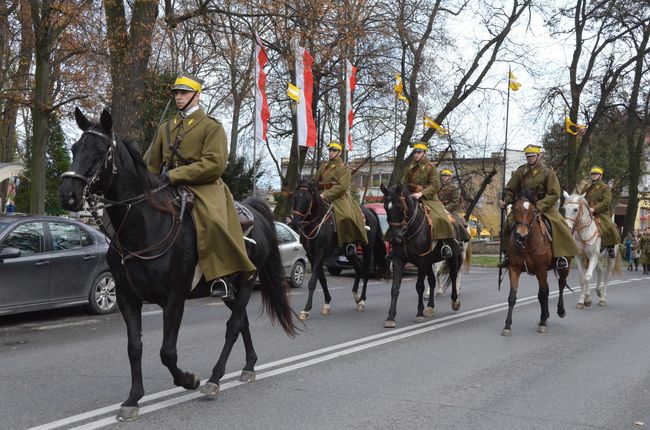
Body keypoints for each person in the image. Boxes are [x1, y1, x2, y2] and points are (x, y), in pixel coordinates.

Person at [145, 72, 256, 299]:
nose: (178, 97)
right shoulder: (166, 128)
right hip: (167, 184)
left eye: (183, 93)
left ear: (197, 96)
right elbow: (151, 163)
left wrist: (176, 175)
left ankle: (221, 277)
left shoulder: (211, 127)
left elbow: (215, 163)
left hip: (203, 185)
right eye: (176, 93)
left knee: (213, 221)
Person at [498, 144, 579, 269]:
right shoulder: (520, 171)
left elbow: (554, 193)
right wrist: (506, 200)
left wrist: (539, 206)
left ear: (539, 156)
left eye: (532, 156)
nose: (530, 158)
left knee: (559, 223)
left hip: (544, 205)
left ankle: (561, 256)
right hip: (524, 206)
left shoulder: (548, 173)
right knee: (508, 223)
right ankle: (507, 254)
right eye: (528, 156)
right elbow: (510, 189)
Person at [312, 140, 368, 255]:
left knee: (345, 216)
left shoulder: (344, 168)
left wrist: (325, 195)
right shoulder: (324, 166)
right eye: (330, 150)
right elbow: (314, 181)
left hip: (338, 197)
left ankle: (350, 243)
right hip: (321, 195)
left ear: (340, 153)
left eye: (334, 150)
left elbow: (342, 187)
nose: (331, 152)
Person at [402, 141, 454, 259]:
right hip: (411, 198)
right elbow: (404, 183)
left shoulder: (431, 168)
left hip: (428, 199)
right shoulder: (409, 168)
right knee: (398, 215)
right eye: (414, 152)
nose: (416, 154)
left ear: (424, 153)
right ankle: (395, 246)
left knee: (440, 218)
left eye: (418, 152)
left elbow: (435, 186)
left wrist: (421, 193)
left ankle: (444, 245)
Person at [581, 166, 621, 259]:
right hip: (587, 211)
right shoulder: (588, 188)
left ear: (600, 175)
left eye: (596, 174)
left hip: (600, 212)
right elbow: (583, 198)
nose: (594, 176)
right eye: (592, 174)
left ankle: (610, 247)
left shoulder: (606, 188)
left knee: (610, 226)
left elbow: (606, 202)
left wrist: (594, 208)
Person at [438, 169, 471, 242]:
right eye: (443, 176)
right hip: (438, 210)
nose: (444, 177)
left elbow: (455, 202)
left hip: (450, 211)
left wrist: (445, 209)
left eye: (446, 176)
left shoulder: (454, 188)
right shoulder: (438, 188)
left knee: (457, 223)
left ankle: (461, 241)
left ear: (450, 177)